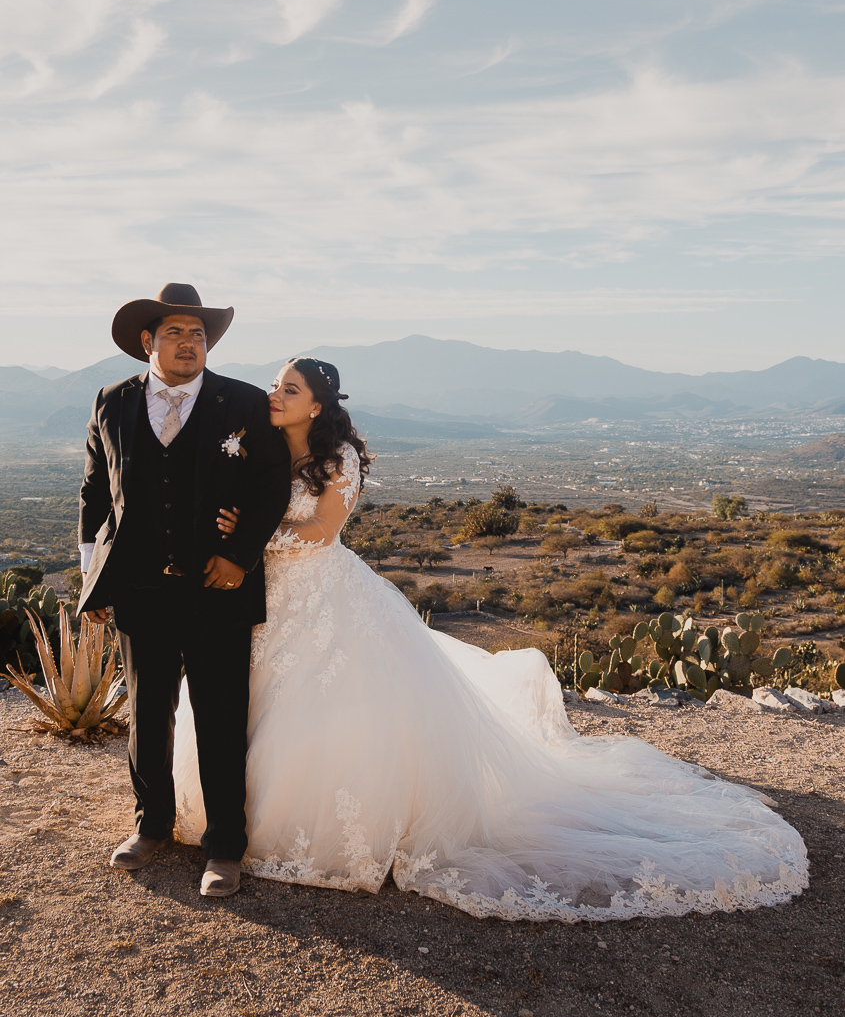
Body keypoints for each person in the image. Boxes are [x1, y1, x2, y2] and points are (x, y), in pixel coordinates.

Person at [172, 357, 808, 921]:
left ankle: (315, 829)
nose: (274, 394)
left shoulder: (337, 461)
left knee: (326, 707)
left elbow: (321, 533)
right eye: (275, 385)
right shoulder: (261, 447)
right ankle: (230, 819)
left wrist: (247, 540)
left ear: (318, 404)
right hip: (262, 597)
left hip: (319, 591)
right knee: (250, 702)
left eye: (289, 387)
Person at [79, 284, 290, 897]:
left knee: (222, 719)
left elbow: (273, 483)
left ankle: (225, 846)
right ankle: (151, 826)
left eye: (198, 334)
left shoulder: (244, 403)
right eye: (176, 331)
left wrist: (240, 555)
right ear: (148, 341)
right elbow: (95, 491)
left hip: (218, 588)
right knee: (147, 714)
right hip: (140, 589)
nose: (189, 342)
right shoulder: (112, 401)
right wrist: (95, 576)